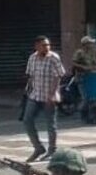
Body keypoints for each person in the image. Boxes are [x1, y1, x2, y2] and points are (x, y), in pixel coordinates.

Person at [23, 35, 65, 163]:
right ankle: (38, 148)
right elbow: (30, 75)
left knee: (50, 124)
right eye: (43, 45)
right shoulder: (32, 58)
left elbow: (59, 75)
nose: (46, 47)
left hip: (49, 97)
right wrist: (28, 89)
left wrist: (52, 94)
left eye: (48, 45)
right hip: (35, 95)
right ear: (36, 46)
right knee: (27, 120)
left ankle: (52, 149)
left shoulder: (53, 58)